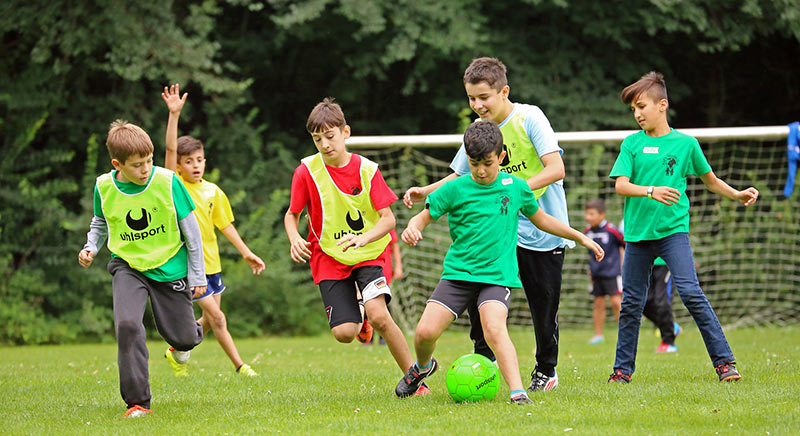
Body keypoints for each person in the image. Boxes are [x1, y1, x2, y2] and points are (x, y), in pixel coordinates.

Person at [395, 121, 604, 403]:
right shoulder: (455, 188)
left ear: (501, 157)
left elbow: (543, 220)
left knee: (494, 328)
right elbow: (424, 216)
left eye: (487, 163)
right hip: (458, 274)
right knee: (424, 332)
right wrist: (413, 227)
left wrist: (580, 237)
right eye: (474, 163)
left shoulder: (515, 188)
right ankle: (422, 368)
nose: (481, 170)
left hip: (496, 276)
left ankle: (518, 393)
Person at [403, 57, 573, 392]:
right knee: (478, 295)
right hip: (498, 235)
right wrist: (426, 190)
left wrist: (509, 196)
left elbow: (556, 168)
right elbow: (458, 177)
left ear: (503, 91)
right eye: (471, 98)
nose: (477, 105)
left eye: (484, 97)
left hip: (539, 231)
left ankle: (546, 369)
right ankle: (485, 362)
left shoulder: (529, 117)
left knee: (543, 304)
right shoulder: (480, 135)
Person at [607, 71, 759, 383]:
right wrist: (651, 190)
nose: (637, 114)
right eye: (633, 109)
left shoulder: (685, 144)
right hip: (636, 237)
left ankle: (725, 364)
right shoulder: (631, 144)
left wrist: (737, 194)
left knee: (691, 292)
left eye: (642, 107)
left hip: (673, 233)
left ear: (662, 105)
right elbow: (621, 186)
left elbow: (711, 181)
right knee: (632, 303)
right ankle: (622, 372)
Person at [284, 98, 425, 395]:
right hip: (328, 256)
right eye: (317, 139)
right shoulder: (306, 172)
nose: (324, 144)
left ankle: (415, 382)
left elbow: (389, 220)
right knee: (344, 334)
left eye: (330, 136)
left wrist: (363, 238)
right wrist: (295, 238)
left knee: (381, 316)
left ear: (345, 132)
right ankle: (358, 316)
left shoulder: (367, 170)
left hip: (370, 252)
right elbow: (292, 214)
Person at [78, 120, 205, 418]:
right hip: (128, 266)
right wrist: (91, 247)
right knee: (127, 326)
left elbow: (192, 232)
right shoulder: (104, 187)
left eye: (149, 161)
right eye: (137, 165)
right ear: (117, 164)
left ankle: (184, 341)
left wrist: (198, 275)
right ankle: (138, 402)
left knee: (184, 337)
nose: (146, 169)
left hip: (168, 265)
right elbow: (100, 221)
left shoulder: (167, 181)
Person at [161, 84, 266, 377]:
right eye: (189, 162)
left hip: (213, 265)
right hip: (189, 267)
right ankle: (240, 366)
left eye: (200, 160)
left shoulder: (213, 191)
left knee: (208, 320)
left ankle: (176, 351)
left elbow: (226, 226)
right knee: (218, 318)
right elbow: (170, 148)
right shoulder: (174, 186)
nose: (196, 166)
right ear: (179, 167)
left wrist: (247, 253)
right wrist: (174, 115)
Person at [583, 198, 624, 344]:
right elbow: (589, 253)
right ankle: (598, 335)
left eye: (592, 214)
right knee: (598, 303)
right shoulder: (587, 231)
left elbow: (624, 244)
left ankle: (624, 334)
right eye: (587, 214)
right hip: (596, 274)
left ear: (602, 215)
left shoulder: (612, 230)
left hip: (613, 273)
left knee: (616, 302)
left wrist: (623, 265)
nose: (588, 217)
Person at [367, 229, 403, 346]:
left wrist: (398, 266)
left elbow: (395, 246)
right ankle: (369, 337)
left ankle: (384, 337)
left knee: (383, 302)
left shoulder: (385, 221)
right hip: (366, 268)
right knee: (367, 301)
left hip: (383, 269)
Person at [646, 257, 681, 353]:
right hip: (647, 261)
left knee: (662, 302)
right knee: (644, 302)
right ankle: (671, 326)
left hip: (665, 262)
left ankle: (668, 342)